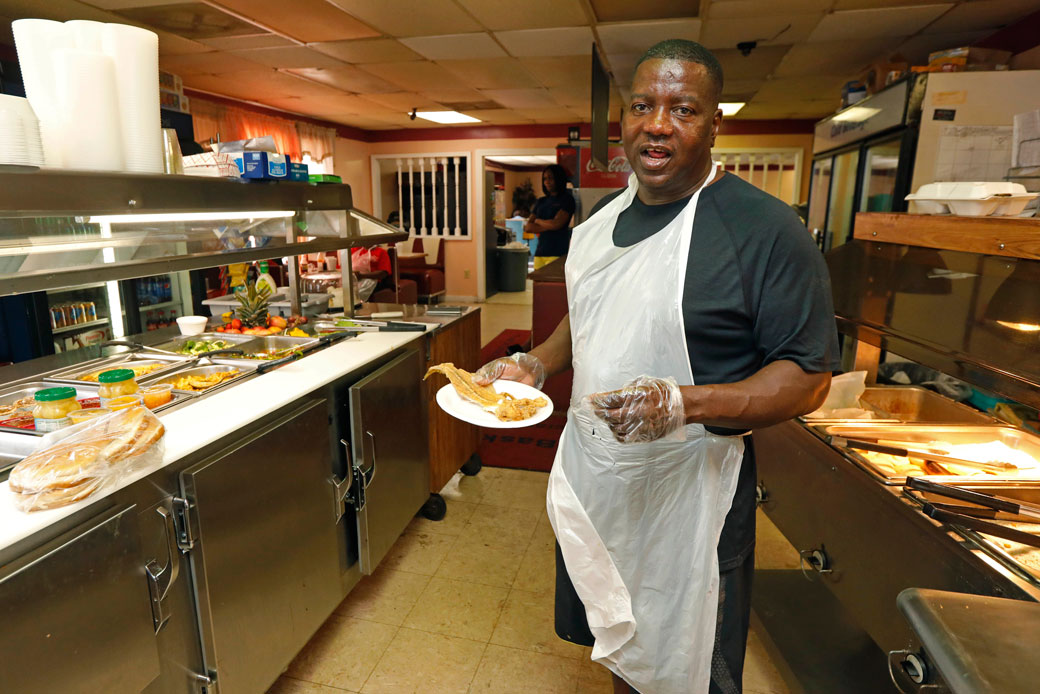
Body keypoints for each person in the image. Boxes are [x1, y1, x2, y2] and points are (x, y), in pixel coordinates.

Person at [474, 39, 839, 694]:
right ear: (623, 120)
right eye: (643, 105)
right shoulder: (599, 224)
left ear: (713, 122)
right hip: (600, 481)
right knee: (622, 647)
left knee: (685, 659)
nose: (659, 125)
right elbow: (586, 320)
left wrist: (684, 404)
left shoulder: (764, 230)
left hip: (692, 500)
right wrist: (535, 361)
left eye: (683, 108)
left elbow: (808, 375)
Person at [526, 164, 575, 270]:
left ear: (558, 178)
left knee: (553, 286)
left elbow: (557, 224)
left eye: (550, 178)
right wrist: (551, 225)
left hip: (558, 253)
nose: (547, 181)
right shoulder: (541, 201)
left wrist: (538, 221)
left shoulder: (567, 199)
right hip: (540, 253)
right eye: (545, 179)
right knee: (538, 286)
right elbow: (528, 227)